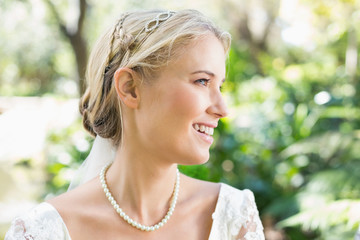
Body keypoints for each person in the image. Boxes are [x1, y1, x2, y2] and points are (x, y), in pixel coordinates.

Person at [5, 9, 265, 239]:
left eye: (219, 86)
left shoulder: (235, 217)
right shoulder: (42, 231)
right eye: (202, 82)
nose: (222, 109)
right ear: (130, 88)